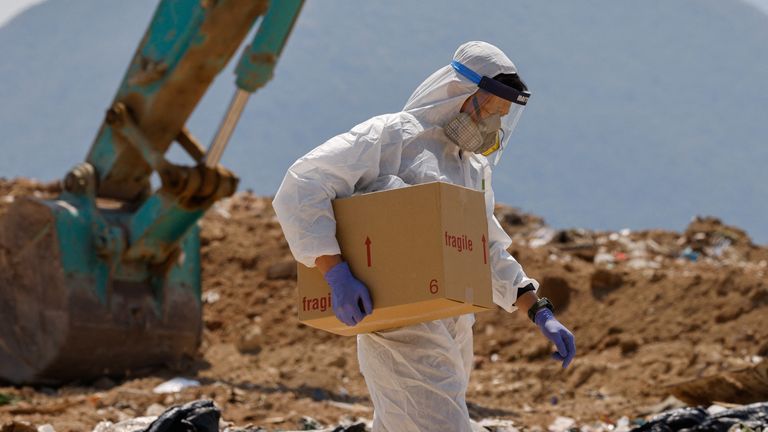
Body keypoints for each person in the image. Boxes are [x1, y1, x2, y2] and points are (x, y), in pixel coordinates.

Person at [273, 41, 576, 432]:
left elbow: (484, 248)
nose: (493, 127)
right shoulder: (391, 137)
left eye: (502, 117)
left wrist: (537, 309)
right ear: (459, 94)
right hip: (397, 323)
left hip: (452, 323)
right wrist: (335, 272)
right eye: (489, 111)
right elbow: (303, 184)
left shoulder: (472, 169)